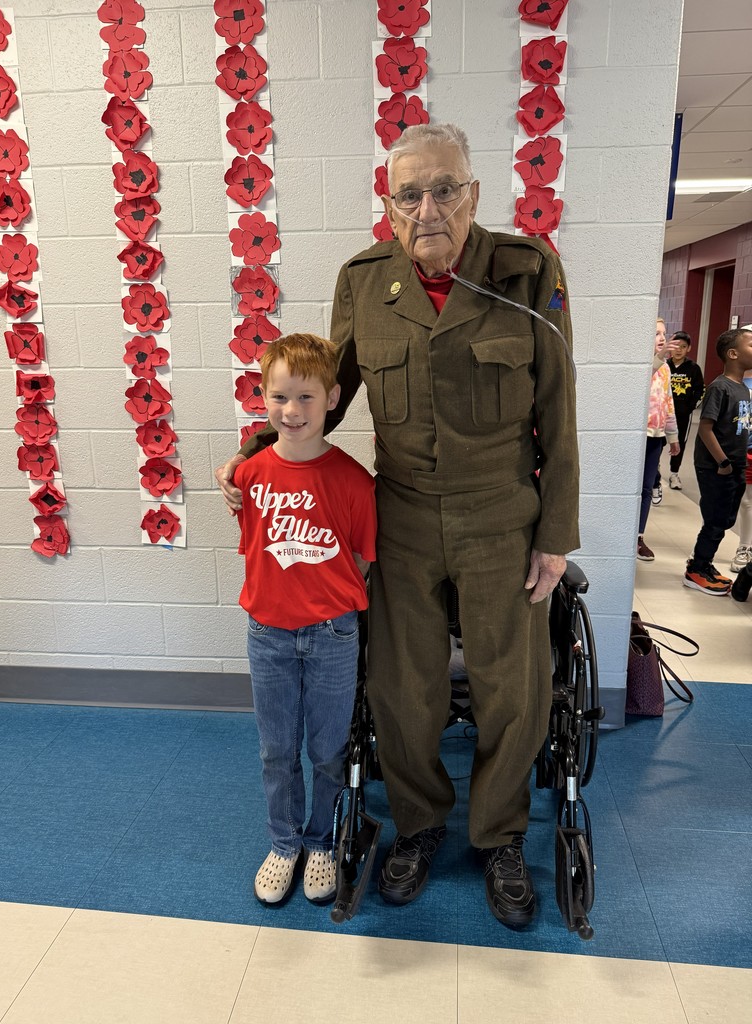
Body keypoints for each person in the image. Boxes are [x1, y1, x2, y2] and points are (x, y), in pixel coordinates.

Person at [216, 123, 579, 929]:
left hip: (501, 518)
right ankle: (417, 827)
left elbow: (559, 407)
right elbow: (322, 388)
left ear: (473, 193)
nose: (427, 208)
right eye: (408, 193)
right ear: (390, 204)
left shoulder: (526, 271)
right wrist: (251, 453)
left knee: (512, 689)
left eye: (443, 188)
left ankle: (501, 835)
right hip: (405, 515)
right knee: (400, 689)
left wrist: (555, 535)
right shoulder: (365, 280)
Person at [233, 333, 377, 906]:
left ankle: (320, 840)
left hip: (333, 634)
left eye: (306, 398)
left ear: (333, 398)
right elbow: (254, 548)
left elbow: (362, 559)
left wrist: (325, 601)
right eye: (279, 397)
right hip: (267, 633)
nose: (291, 412)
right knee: (275, 748)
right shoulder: (248, 477)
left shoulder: (352, 481)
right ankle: (283, 841)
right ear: (264, 399)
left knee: (326, 750)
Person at [684, 327, 752, 595]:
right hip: (717, 467)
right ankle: (696, 570)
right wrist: (723, 463)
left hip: (735, 465)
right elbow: (705, 428)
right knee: (714, 521)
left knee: (724, 520)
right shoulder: (719, 387)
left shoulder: (743, 389)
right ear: (733, 354)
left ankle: (706, 563)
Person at [637, 319, 679, 561]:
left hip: (656, 436)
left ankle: (639, 536)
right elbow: (642, 380)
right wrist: (660, 357)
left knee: (646, 488)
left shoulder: (665, 368)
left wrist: (672, 435)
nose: (662, 338)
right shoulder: (646, 365)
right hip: (638, 436)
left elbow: (668, 402)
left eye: (664, 333)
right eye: (656, 333)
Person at [666, 330, 704, 490]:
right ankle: (654, 470)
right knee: (658, 441)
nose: (679, 349)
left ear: (688, 348)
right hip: (663, 413)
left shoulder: (693, 368)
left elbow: (700, 390)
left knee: (679, 443)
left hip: (682, 415)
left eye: (683, 346)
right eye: (675, 346)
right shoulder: (664, 365)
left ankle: (674, 473)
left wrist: (690, 407)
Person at [729, 358, 752, 573]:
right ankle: (705, 548)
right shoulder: (730, 382)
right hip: (734, 449)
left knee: (749, 501)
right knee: (729, 499)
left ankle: (745, 546)